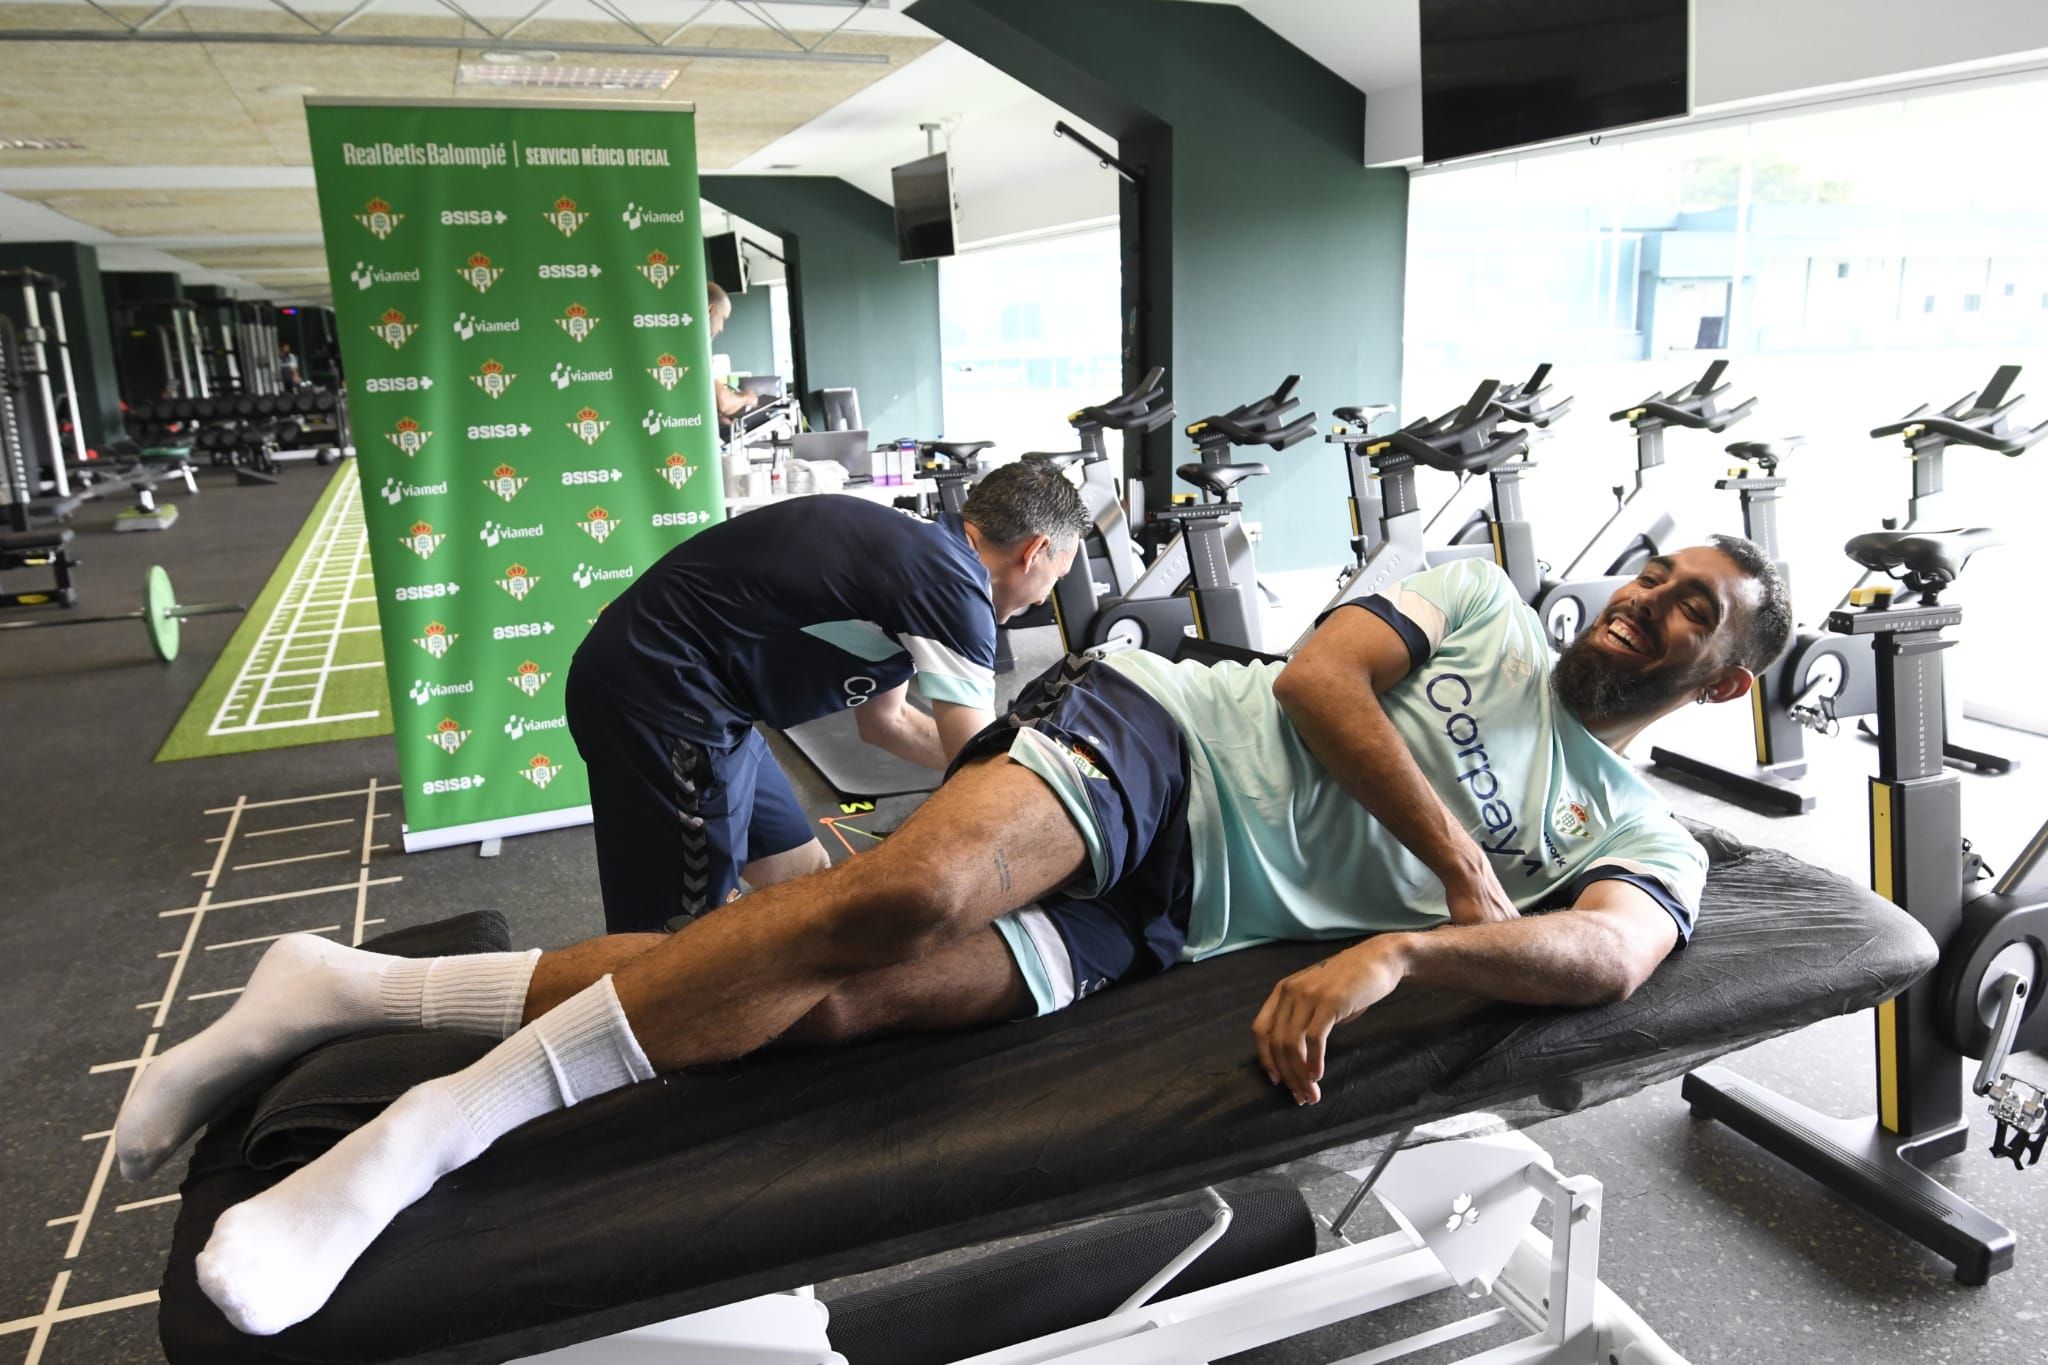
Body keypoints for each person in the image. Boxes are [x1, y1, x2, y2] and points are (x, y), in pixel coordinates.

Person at [117, 537, 1791, 1336]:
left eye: (1686, 616)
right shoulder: (1482, 598)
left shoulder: (1643, 837)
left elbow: (1606, 962)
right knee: (892, 897)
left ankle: (340, 986)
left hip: (1172, 929)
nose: (1640, 606)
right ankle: (417, 1138)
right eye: (1650, 577)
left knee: (828, 1006)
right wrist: (1465, 879)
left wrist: (1405, 954)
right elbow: (1313, 678)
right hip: (1162, 743)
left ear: (1723, 682)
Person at [568, 458, 1086, 933]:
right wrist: (1061, 803)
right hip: (660, 698)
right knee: (678, 935)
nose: (1046, 596)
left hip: (713, 702)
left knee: (803, 878)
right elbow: (981, 769)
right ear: (1035, 550)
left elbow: (889, 724)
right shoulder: (951, 583)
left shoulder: (923, 556)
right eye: (1056, 578)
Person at [706, 282, 758, 423]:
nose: (722, 328)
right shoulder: (696, 350)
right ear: (710, 310)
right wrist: (747, 397)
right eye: (723, 318)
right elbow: (724, 403)